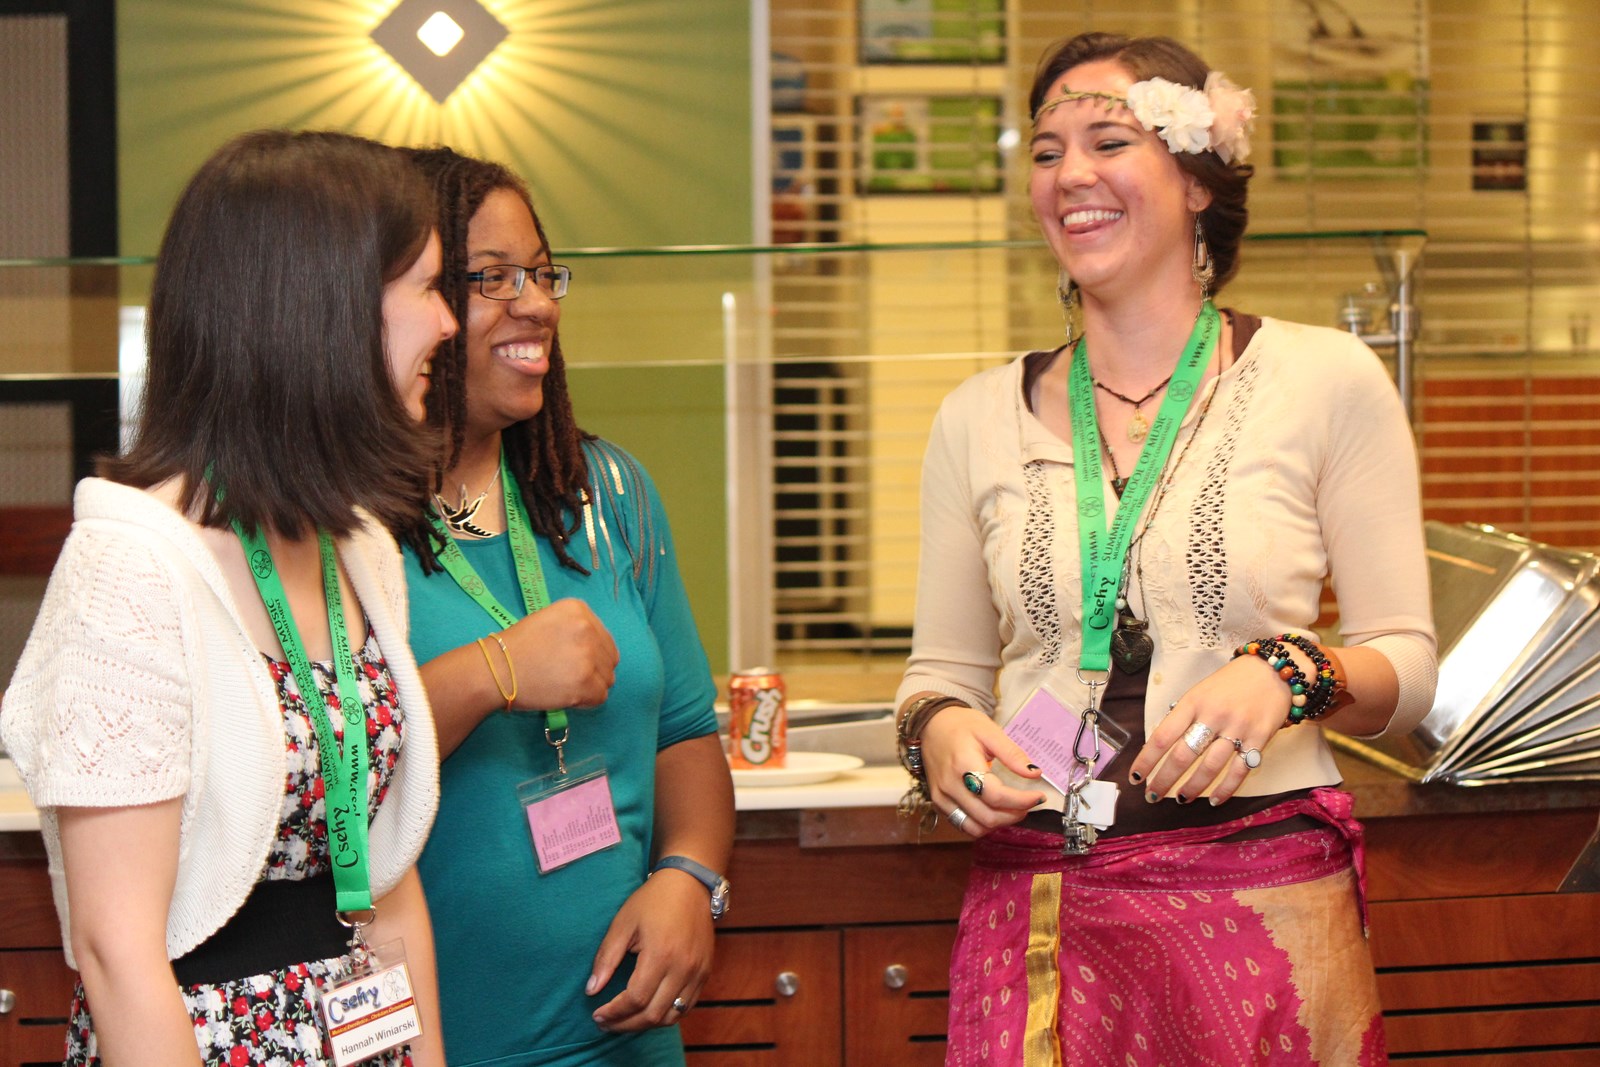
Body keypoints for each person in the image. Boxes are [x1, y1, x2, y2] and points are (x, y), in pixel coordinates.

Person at [894, 32, 1438, 1065]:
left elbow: (1405, 669)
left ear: (1195, 179)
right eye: (1046, 151)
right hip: (1040, 901)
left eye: (1108, 141)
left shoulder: (1323, 379)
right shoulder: (974, 415)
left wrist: (1288, 671)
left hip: (1259, 903)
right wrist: (939, 728)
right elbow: (940, 673)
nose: (1070, 174)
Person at [0, 129, 457, 1067]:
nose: (448, 323)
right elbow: (116, 951)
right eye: (424, 286)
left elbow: (384, 872)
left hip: (362, 1030)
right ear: (322, 311)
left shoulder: (360, 549)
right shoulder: (129, 566)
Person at [393, 146, 735, 1067]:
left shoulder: (605, 491)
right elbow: (319, 771)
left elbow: (685, 732)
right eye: (493, 278)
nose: (537, 304)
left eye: (543, 273)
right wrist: (494, 671)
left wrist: (689, 876)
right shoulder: (335, 524)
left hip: (624, 1035)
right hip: (435, 1040)